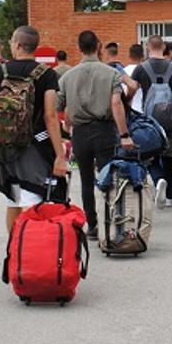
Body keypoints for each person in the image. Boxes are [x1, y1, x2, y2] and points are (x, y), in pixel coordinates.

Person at [0, 26, 69, 237]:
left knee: (13, 200)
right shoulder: (46, 74)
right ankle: (31, 254)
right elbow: (50, 116)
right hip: (35, 148)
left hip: (6, 148)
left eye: (13, 42)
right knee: (35, 201)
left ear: (18, 45)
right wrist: (60, 155)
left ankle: (15, 251)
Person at [56, 30, 136, 239]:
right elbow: (116, 103)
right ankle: (109, 221)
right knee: (107, 178)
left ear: (78, 47)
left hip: (80, 133)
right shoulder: (111, 74)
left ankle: (91, 225)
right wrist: (124, 134)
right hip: (104, 131)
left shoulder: (67, 77)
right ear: (99, 46)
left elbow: (57, 106)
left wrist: (66, 122)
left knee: (86, 180)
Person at [131, 35, 172, 208]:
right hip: (171, 119)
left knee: (149, 155)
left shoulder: (141, 69)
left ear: (148, 47)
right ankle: (166, 196)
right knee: (170, 156)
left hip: (149, 121)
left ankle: (158, 179)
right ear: (164, 47)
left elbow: (131, 90)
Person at [123, 43, 146, 117]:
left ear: (129, 56)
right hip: (143, 111)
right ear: (143, 56)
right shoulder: (146, 71)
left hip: (128, 111)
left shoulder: (122, 72)